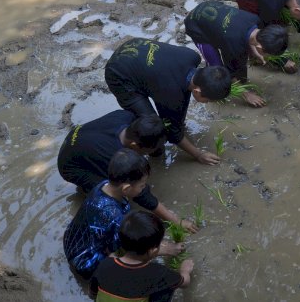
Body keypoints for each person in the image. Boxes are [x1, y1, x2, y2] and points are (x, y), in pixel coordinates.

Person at [57, 111, 198, 233]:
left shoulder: (125, 116)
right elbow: (142, 195)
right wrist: (175, 220)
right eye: (147, 152)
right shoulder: (115, 157)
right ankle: (88, 190)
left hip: (79, 140)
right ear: (134, 145)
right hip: (70, 167)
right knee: (113, 190)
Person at [104, 37, 231, 165]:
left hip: (134, 47)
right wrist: (198, 154)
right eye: (208, 100)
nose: (207, 103)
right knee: (153, 131)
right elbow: (172, 132)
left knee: (170, 118)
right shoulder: (172, 94)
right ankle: (156, 157)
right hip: (119, 74)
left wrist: (178, 122)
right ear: (197, 92)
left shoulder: (192, 57)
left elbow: (184, 90)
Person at [63, 150, 184, 278]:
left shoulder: (104, 185)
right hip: (86, 262)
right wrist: (161, 249)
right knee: (132, 261)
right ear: (126, 188)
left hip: (73, 241)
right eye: (142, 185)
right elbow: (129, 250)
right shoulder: (112, 215)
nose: (144, 188)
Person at [184, 1, 288, 107]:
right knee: (216, 68)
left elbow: (250, 37)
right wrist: (246, 94)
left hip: (209, 7)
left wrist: (255, 52)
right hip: (195, 25)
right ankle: (209, 90)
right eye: (267, 54)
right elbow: (228, 73)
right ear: (260, 47)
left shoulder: (254, 20)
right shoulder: (235, 47)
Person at [90, 211, 194, 302]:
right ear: (152, 250)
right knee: (167, 286)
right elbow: (185, 283)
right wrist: (185, 270)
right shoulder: (159, 273)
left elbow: (92, 294)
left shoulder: (105, 264)